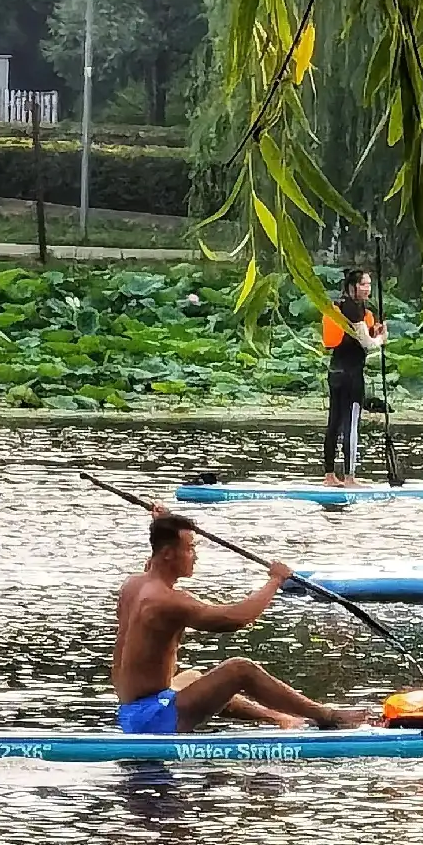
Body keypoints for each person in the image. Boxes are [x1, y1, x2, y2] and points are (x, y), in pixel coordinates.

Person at [112, 511, 369, 734]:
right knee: (239, 669)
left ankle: (278, 717)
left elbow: (155, 559)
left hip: (130, 710)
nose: (195, 556)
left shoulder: (134, 584)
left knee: (191, 677)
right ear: (168, 554)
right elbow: (236, 619)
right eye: (190, 548)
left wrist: (163, 521)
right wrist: (275, 581)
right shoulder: (168, 602)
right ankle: (328, 717)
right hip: (151, 720)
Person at [322, 266, 385, 485]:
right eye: (364, 284)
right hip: (351, 376)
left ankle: (329, 475)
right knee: (350, 425)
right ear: (352, 287)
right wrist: (380, 339)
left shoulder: (338, 306)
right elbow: (367, 344)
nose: (368, 289)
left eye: (369, 284)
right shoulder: (354, 309)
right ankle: (349, 477)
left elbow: (354, 337)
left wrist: (371, 332)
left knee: (334, 423)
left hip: (335, 372)